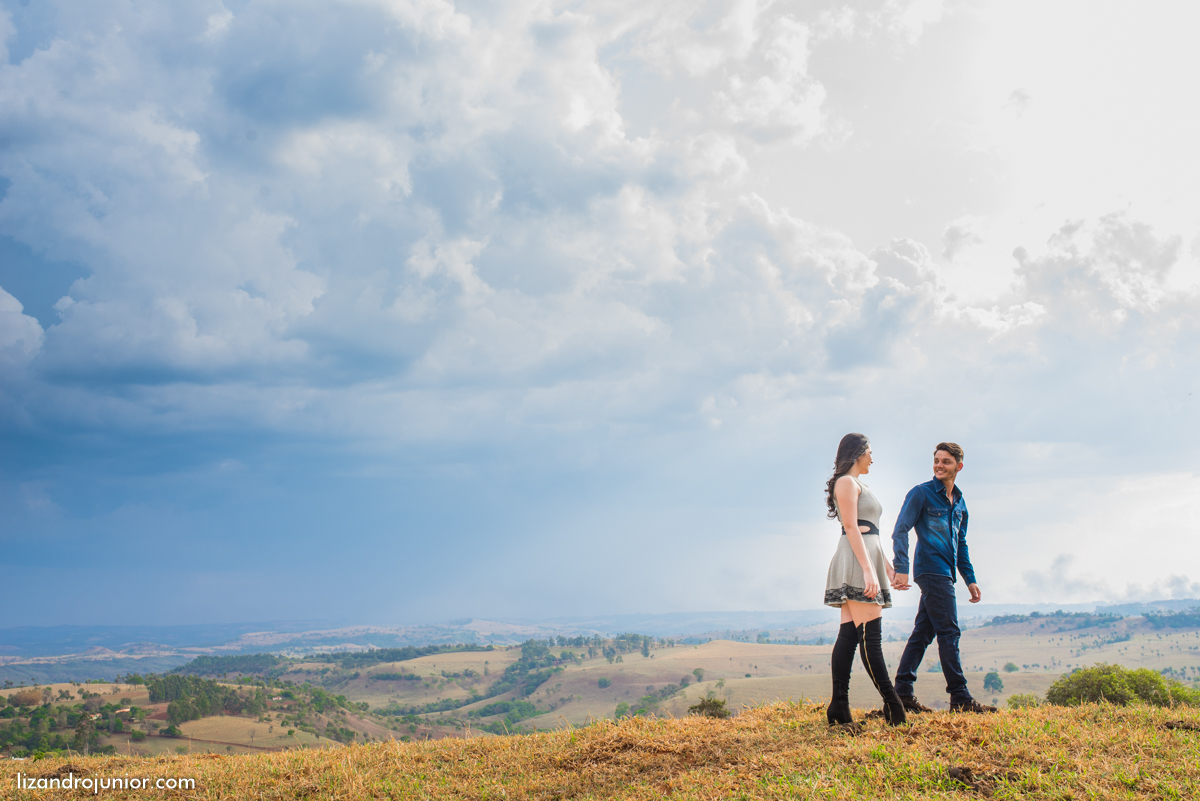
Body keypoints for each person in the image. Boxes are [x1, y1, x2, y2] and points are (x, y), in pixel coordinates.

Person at [890, 442, 996, 714]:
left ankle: (901, 692)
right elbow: (900, 529)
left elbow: (961, 544)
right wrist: (900, 566)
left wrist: (969, 578)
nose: (939, 465)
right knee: (949, 631)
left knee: (923, 633)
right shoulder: (921, 494)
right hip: (930, 569)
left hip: (947, 573)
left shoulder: (960, 504)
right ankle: (960, 697)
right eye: (936, 460)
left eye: (946, 462)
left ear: (958, 467)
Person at [822, 433, 907, 727]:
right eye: (870, 452)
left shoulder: (859, 484)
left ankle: (838, 708)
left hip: (866, 559)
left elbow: (871, 533)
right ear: (858, 453)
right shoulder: (846, 482)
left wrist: (887, 568)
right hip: (857, 563)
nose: (873, 458)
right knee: (872, 640)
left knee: (848, 636)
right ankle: (895, 708)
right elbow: (851, 527)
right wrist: (869, 570)